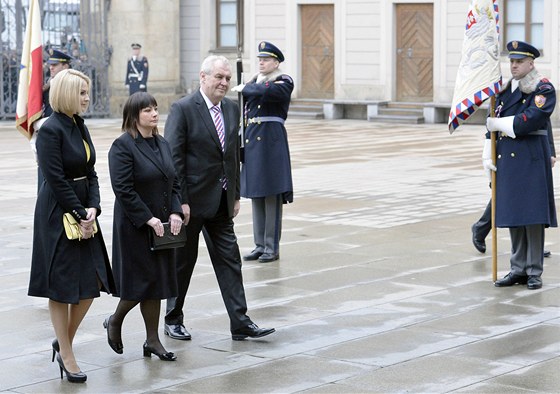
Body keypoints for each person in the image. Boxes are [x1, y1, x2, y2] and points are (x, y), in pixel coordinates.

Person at [164, 55, 275, 341]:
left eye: (227, 78)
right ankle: (172, 318)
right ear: (203, 77)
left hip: (222, 203)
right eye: (219, 77)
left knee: (230, 261)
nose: (224, 83)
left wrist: (235, 195)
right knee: (182, 263)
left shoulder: (231, 108)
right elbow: (173, 161)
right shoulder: (184, 109)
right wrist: (180, 201)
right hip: (191, 205)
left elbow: (233, 156)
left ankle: (240, 322)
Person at [28, 69, 115, 383]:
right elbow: (55, 179)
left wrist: (93, 207)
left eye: (87, 93)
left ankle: (61, 339)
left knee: (91, 284)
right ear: (66, 94)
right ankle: (67, 353)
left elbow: (90, 172)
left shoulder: (79, 124)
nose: (87, 99)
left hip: (83, 209)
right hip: (57, 213)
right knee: (62, 288)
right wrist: (80, 211)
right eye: (82, 93)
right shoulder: (50, 130)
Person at [105, 92, 183, 361]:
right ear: (134, 115)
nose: (154, 113)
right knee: (141, 283)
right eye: (147, 110)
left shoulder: (162, 143)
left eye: (155, 109)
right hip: (135, 227)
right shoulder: (122, 146)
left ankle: (152, 340)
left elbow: (174, 182)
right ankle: (115, 320)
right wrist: (147, 217)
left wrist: (174, 211)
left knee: (158, 282)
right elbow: (123, 189)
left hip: (161, 227)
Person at [483, 40, 557, 290]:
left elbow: (531, 120)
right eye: (511, 61)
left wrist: (498, 124)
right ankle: (517, 269)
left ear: (531, 63)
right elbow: (490, 125)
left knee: (532, 217)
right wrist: (487, 153)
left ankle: (534, 270)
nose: (513, 66)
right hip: (508, 158)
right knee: (515, 215)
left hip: (531, 157)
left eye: (519, 62)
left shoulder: (542, 88)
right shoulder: (503, 92)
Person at [232, 41, 294, 263]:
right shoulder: (254, 81)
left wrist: (245, 88)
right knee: (257, 194)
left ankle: (271, 246)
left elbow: (267, 92)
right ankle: (260, 244)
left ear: (276, 62)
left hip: (271, 142)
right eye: (259, 59)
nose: (261, 62)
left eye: (266, 60)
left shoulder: (282, 81)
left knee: (271, 195)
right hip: (253, 141)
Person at [471, 124, 556, 256]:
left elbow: (544, 122)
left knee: (525, 196)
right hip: (509, 149)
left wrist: (550, 150)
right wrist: (487, 151)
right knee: (508, 195)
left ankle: (532, 246)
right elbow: (493, 119)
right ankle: (481, 228)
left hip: (531, 147)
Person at [31, 49, 72, 192]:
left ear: (65, 66)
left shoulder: (70, 85)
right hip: (46, 135)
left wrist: (43, 123)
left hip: (63, 136)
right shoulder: (48, 85)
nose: (51, 67)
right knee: (44, 178)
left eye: (55, 65)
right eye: (50, 64)